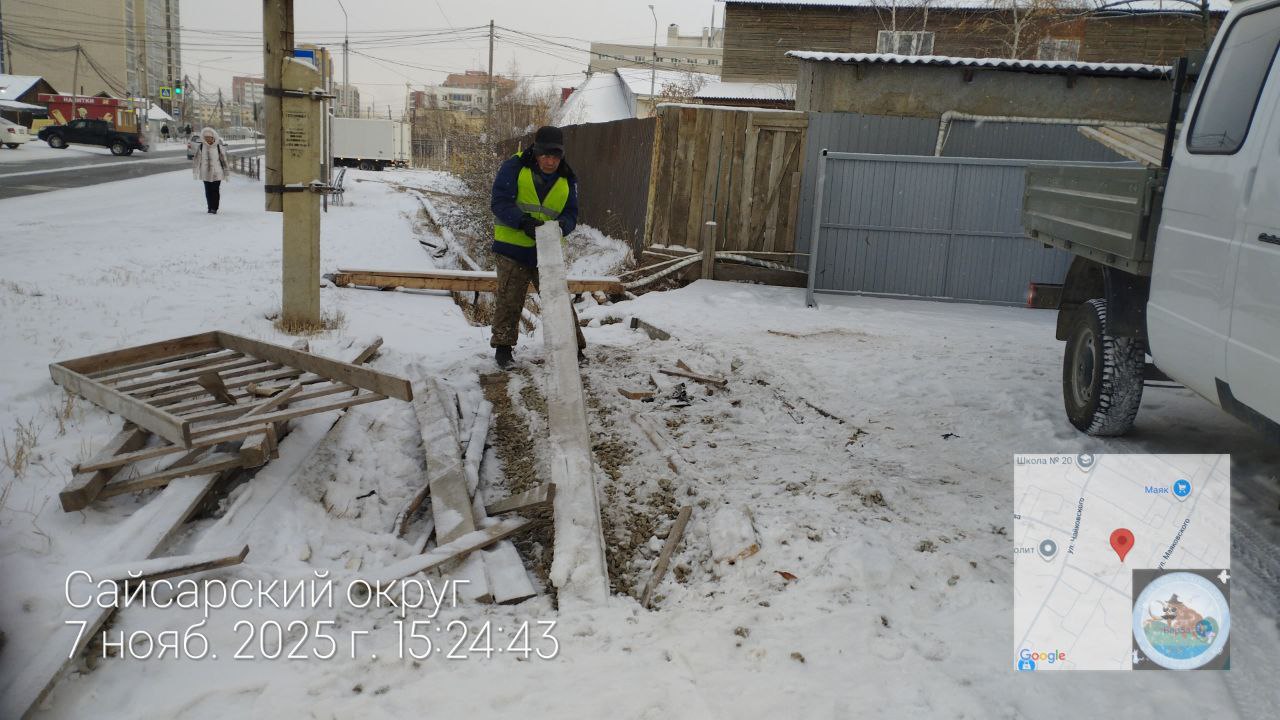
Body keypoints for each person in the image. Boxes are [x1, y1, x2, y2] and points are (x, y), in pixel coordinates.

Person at [489, 125, 586, 370]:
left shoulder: (568, 178)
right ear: (536, 152)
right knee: (510, 299)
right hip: (512, 247)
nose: (550, 161)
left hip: (548, 251)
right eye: (546, 155)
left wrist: (563, 226)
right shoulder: (514, 167)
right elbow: (499, 202)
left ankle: (575, 347)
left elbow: (571, 213)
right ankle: (503, 349)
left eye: (555, 156)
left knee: (559, 300)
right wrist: (522, 221)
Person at [192, 127, 229, 214]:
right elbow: (196, 160)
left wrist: (226, 173)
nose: (208, 139)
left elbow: (224, 161)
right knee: (208, 191)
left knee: (215, 190)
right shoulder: (201, 147)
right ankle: (210, 207)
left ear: (213, 137)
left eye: (209, 137)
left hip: (217, 173)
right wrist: (195, 172)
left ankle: (214, 208)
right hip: (205, 173)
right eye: (206, 137)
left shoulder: (218, 147)